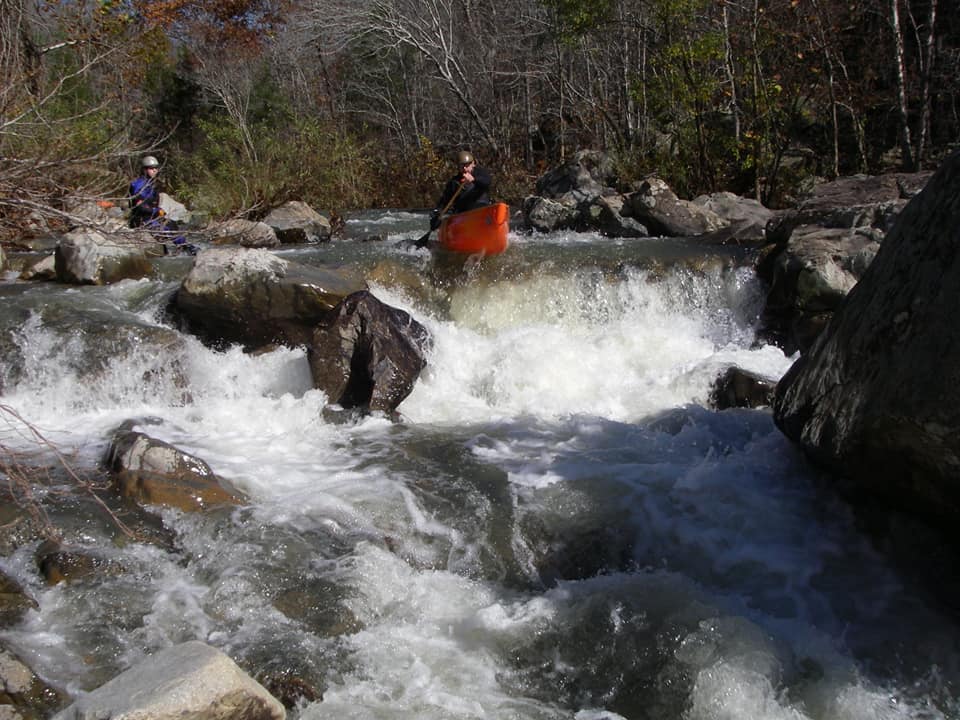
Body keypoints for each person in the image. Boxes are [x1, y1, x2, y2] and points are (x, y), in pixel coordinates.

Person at [128, 155, 196, 254]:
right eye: (151, 168)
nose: (155, 170)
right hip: (141, 220)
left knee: (171, 224)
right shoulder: (139, 185)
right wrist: (157, 211)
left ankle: (186, 248)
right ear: (144, 170)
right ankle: (185, 249)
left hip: (151, 217)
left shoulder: (150, 183)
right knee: (166, 228)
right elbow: (140, 207)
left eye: (156, 168)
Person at [430, 151, 492, 229]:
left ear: (473, 164)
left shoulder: (481, 174)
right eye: (462, 166)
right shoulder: (454, 182)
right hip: (463, 213)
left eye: (467, 165)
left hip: (482, 208)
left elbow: (487, 182)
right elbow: (444, 201)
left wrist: (473, 180)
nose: (464, 169)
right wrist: (437, 213)